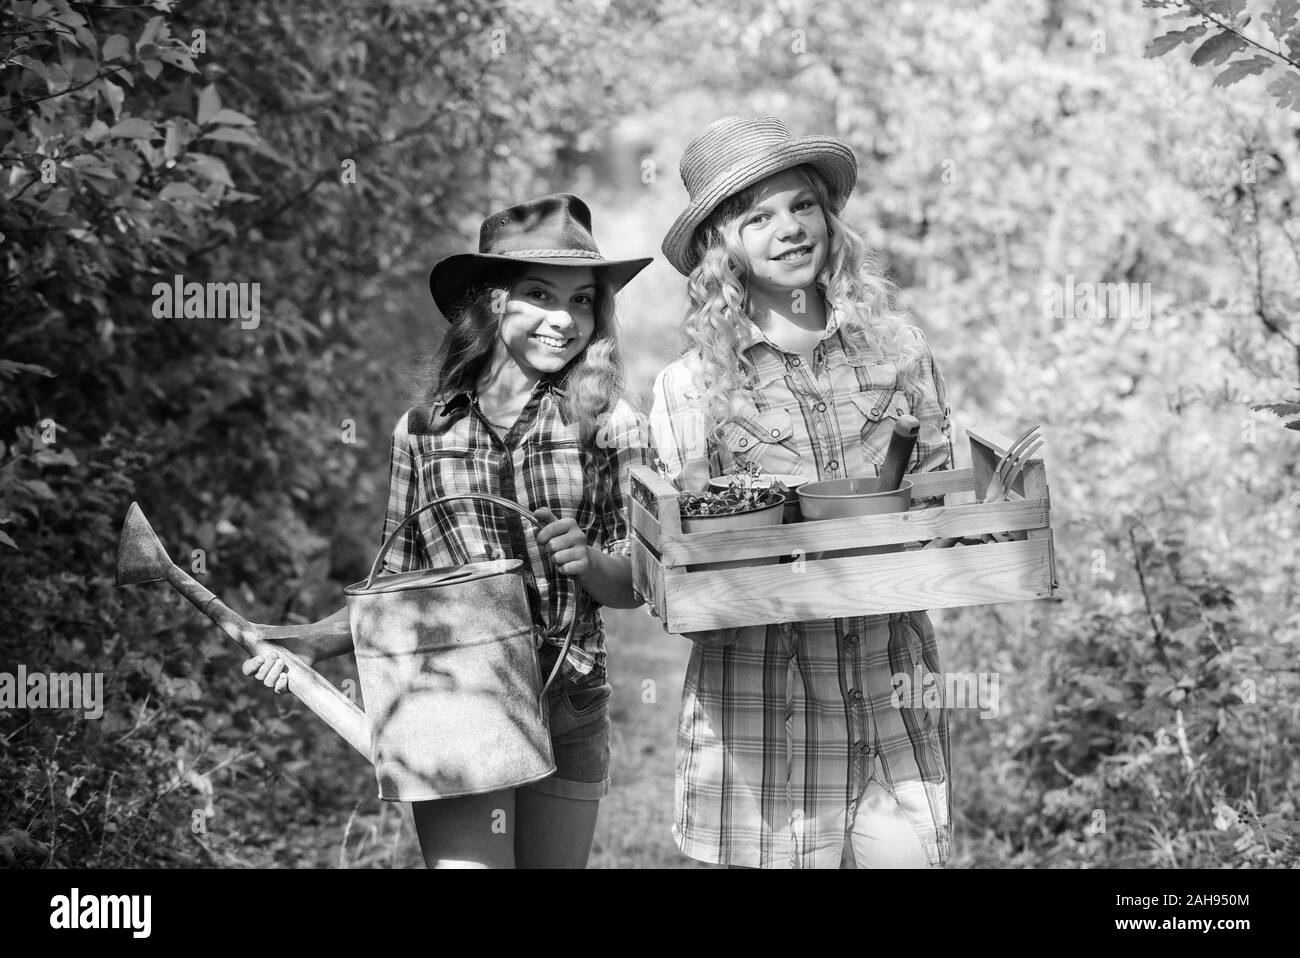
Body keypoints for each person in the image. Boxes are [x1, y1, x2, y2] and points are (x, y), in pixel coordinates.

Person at [243, 193, 652, 868]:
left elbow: (636, 582)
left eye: (583, 300)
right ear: (493, 302)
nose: (565, 319)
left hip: (569, 693)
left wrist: (588, 562)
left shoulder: (608, 423)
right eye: (540, 295)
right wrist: (309, 643)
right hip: (456, 695)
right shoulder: (425, 429)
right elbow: (399, 584)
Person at [649, 116, 957, 869]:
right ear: (723, 248)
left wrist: (934, 523)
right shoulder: (694, 388)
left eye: (802, 206)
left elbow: (948, 500)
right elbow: (690, 576)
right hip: (766, 714)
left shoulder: (898, 352)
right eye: (757, 217)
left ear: (829, 217)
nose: (789, 229)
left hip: (890, 689)